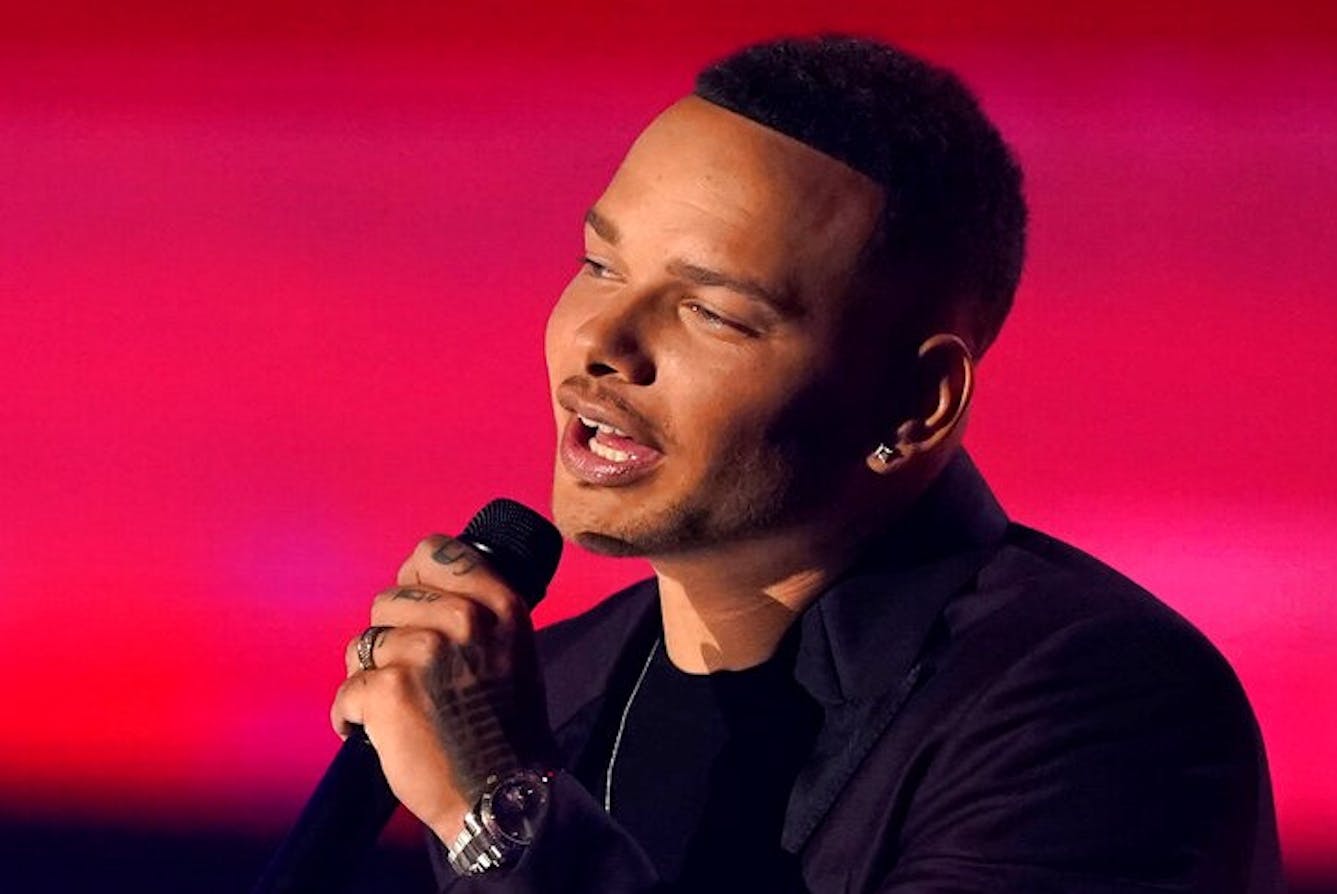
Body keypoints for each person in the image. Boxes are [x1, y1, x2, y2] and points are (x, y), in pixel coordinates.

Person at [329, 35, 1285, 892]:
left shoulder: (1095, 705)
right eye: (600, 265)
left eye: (714, 313)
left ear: (915, 405)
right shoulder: (554, 688)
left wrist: (498, 817)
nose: (605, 342)